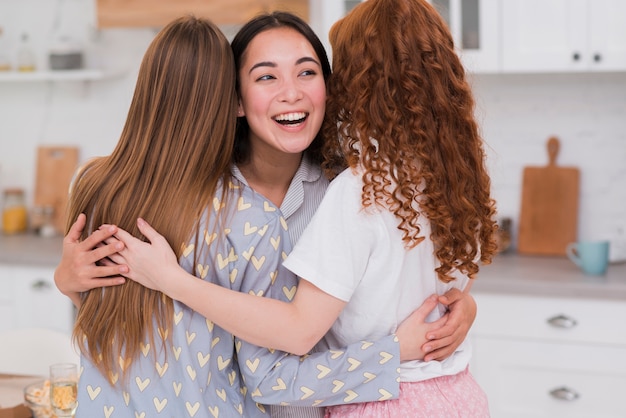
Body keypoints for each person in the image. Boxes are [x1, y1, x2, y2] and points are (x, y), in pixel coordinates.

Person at [57, 12, 476, 418]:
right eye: (266, 76)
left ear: (332, 88)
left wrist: (462, 306)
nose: (290, 92)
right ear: (235, 100)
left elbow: (409, 286)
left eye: (307, 72)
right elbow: (140, 321)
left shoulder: (348, 193)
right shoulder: (202, 201)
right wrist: (69, 280)